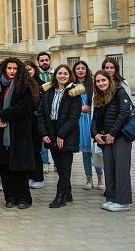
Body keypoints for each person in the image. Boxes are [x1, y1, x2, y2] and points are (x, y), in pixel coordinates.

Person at [0, 57, 38, 209]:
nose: (11, 71)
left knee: (19, 167)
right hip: (1, 131)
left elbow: (23, 107)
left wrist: (2, 116)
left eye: (15, 69)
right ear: (4, 69)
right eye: (9, 68)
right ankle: (9, 197)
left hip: (19, 132)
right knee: (4, 166)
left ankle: (24, 198)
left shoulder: (25, 85)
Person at [37, 64, 83, 208]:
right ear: (55, 75)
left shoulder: (74, 92)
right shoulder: (48, 91)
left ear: (70, 76)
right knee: (58, 165)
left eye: (65, 74)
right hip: (51, 131)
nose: (62, 76)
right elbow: (41, 113)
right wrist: (44, 133)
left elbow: (74, 116)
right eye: (60, 73)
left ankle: (60, 196)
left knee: (65, 167)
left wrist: (62, 135)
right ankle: (68, 193)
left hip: (67, 133)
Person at [91, 70, 133, 212]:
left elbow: (124, 113)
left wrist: (113, 133)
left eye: (103, 80)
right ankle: (111, 198)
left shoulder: (119, 92)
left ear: (109, 80)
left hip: (120, 136)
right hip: (105, 138)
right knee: (109, 168)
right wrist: (95, 134)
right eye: (98, 81)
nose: (101, 83)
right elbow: (95, 118)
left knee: (121, 168)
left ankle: (122, 201)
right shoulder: (98, 96)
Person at [74, 61, 104, 190]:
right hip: (79, 121)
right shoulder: (71, 85)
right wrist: (80, 109)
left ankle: (100, 177)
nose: (80, 70)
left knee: (96, 151)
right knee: (85, 153)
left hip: (92, 120)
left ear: (87, 70)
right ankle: (88, 178)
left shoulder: (92, 83)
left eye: (83, 68)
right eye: (78, 68)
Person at [25, 60, 47, 187]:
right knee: (27, 151)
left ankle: (38, 178)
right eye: (26, 69)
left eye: (30, 68)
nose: (29, 71)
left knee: (36, 151)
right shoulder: (20, 84)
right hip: (25, 122)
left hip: (36, 121)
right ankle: (29, 177)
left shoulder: (43, 85)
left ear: (34, 69)